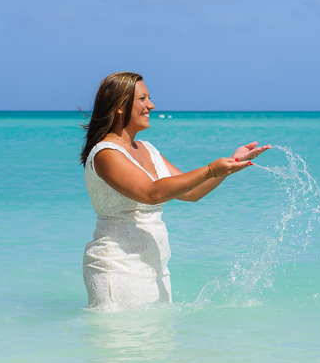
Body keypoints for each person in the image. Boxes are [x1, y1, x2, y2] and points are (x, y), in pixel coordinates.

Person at [80, 71, 270, 312]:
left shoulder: (148, 149)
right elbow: (151, 193)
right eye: (142, 99)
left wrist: (230, 165)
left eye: (149, 97)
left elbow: (191, 192)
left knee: (155, 347)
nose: (151, 105)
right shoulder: (106, 153)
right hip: (116, 268)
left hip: (154, 269)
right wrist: (211, 168)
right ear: (120, 106)